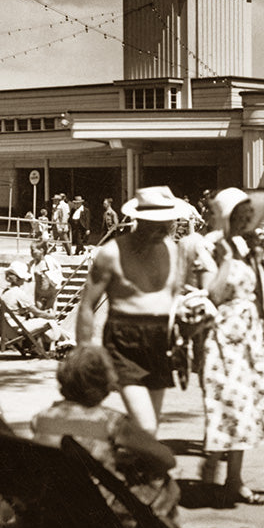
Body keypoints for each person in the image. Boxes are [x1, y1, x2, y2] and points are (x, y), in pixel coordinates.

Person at [197, 188, 264, 504]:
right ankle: (214, 469)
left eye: (246, 217)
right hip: (222, 336)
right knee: (224, 404)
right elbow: (209, 294)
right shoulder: (211, 247)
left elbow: (260, 290)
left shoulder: (245, 246)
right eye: (237, 218)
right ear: (226, 218)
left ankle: (233, 478)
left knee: (246, 407)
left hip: (248, 336)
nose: (243, 223)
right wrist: (226, 260)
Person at [76, 186, 186, 436]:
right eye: (155, 223)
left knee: (151, 426)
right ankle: (112, 441)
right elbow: (87, 305)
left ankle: (133, 469)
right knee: (145, 425)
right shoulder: (111, 253)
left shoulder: (171, 249)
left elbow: (174, 296)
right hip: (124, 340)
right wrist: (84, 355)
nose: (163, 229)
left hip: (160, 340)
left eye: (167, 222)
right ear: (139, 219)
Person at [31, 346, 179, 520]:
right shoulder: (111, 422)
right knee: (163, 481)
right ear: (105, 383)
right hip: (99, 509)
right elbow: (166, 459)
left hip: (54, 504)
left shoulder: (41, 419)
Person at [0, 260, 71, 352]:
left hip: (11, 327)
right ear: (19, 278)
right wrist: (51, 315)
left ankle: (67, 340)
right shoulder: (19, 293)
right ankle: (65, 342)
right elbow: (37, 313)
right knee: (50, 321)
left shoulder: (5, 292)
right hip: (20, 327)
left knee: (47, 323)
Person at [29, 240, 64, 312]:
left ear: (41, 250)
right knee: (40, 312)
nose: (31, 253)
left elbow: (58, 271)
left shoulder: (48, 261)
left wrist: (48, 275)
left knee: (50, 312)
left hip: (50, 293)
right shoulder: (32, 263)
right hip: (38, 293)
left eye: (33, 250)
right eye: (30, 250)